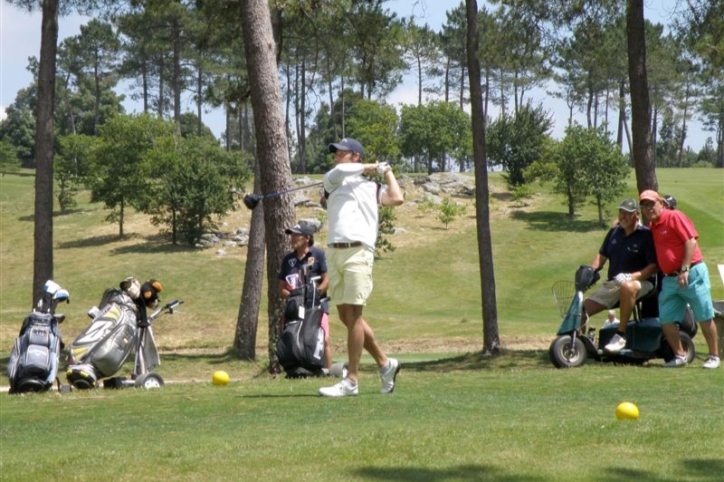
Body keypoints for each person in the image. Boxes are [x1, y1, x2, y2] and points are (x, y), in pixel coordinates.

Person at [318, 137, 404, 397]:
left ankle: (352, 380)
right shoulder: (332, 182)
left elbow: (397, 198)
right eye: (335, 153)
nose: (336, 157)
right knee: (346, 316)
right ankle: (386, 364)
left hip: (358, 250)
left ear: (355, 155)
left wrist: (387, 171)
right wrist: (370, 166)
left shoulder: (372, 187)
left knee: (353, 315)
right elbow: (342, 171)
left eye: (341, 153)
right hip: (334, 252)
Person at [639, 189, 720, 368]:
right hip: (669, 279)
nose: (648, 208)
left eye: (651, 204)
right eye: (644, 205)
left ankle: (714, 356)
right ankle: (680, 355)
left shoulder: (674, 216)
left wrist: (684, 269)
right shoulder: (653, 226)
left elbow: (690, 241)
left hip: (691, 274)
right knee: (666, 319)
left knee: (704, 315)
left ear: (660, 203)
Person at [582, 199, 659, 353]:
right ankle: (575, 343)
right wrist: (590, 271)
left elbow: (654, 266)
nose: (623, 216)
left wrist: (632, 276)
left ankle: (620, 335)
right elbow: (602, 255)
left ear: (636, 215)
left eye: (627, 213)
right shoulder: (614, 232)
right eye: (621, 212)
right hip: (614, 284)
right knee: (581, 310)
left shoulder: (645, 235)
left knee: (627, 286)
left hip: (641, 282)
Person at [277, 223, 332, 370]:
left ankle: (327, 371)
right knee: (295, 338)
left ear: (307, 238)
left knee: (323, 339)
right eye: (291, 235)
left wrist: (316, 292)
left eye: (296, 235)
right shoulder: (287, 259)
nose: (292, 238)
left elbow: (327, 280)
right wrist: (292, 295)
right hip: (295, 308)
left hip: (317, 305)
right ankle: (298, 370)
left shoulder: (318, 255)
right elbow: (281, 287)